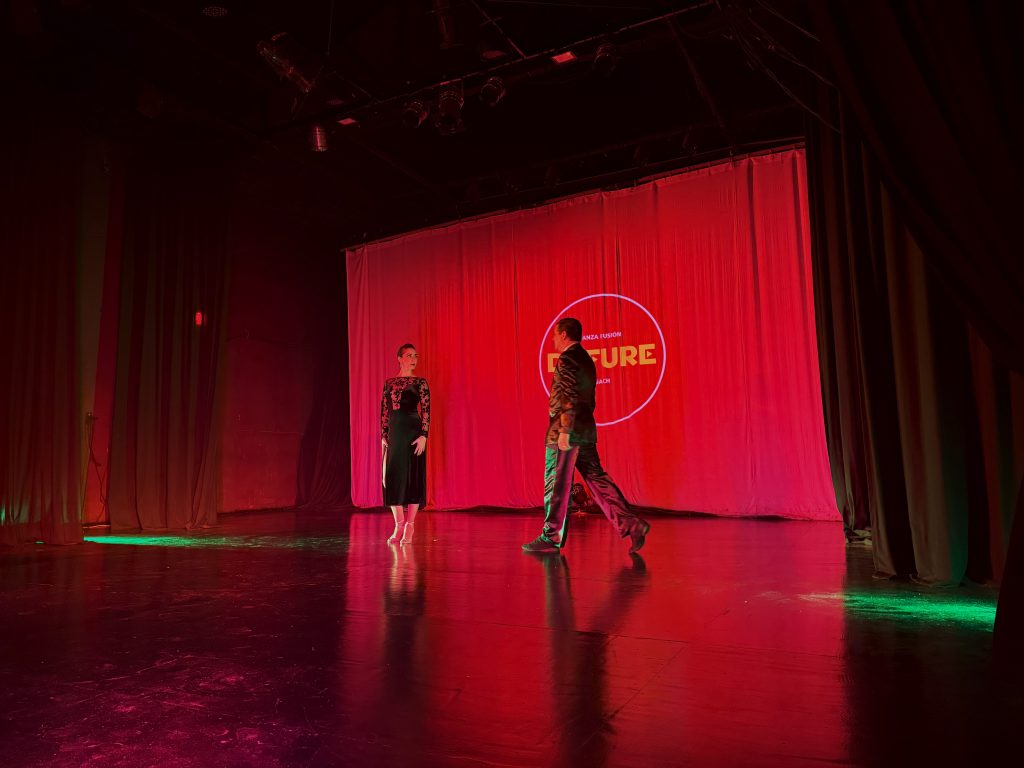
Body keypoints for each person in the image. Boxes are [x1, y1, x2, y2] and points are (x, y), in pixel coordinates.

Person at [522, 317, 650, 553]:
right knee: (597, 480)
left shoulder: (567, 359)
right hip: (585, 430)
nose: (553, 340)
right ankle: (632, 524)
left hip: (565, 432)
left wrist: (565, 430)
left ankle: (551, 537)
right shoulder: (586, 359)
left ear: (563, 334)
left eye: (555, 335)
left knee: (556, 483)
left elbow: (570, 396)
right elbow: (586, 399)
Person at [381, 343, 430, 544]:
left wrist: (424, 435)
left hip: (413, 433)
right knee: (392, 477)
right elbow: (384, 411)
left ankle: (410, 525)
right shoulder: (389, 383)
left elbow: (426, 410)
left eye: (415, 356)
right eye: (409, 355)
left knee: (413, 478)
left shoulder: (420, 382)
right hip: (394, 434)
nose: (413, 359)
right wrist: (384, 435)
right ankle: (398, 524)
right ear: (399, 358)